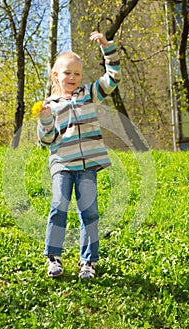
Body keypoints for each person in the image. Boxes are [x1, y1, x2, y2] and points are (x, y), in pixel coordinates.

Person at [37, 31, 121, 279]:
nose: (72, 77)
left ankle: (88, 262)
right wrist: (43, 121)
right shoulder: (49, 105)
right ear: (56, 75)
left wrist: (108, 48)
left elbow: (113, 77)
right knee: (58, 207)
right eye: (67, 73)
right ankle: (54, 258)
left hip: (87, 167)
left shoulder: (88, 94)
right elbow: (46, 140)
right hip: (62, 165)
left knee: (90, 212)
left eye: (77, 74)